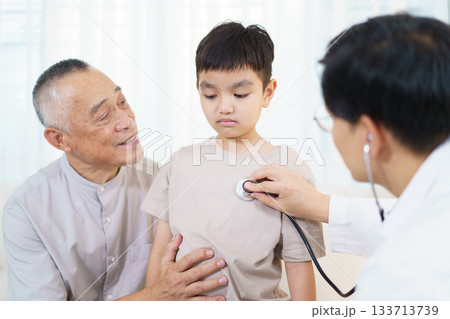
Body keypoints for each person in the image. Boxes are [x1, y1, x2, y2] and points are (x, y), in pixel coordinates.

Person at [245, 14, 450, 300]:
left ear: (368, 135)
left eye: (330, 119)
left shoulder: (402, 275)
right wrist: (319, 204)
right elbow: (403, 219)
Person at [2, 59, 228, 301]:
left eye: (122, 102)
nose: (127, 121)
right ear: (60, 140)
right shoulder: (25, 210)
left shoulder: (164, 181)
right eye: (103, 116)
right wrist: (157, 296)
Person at [142, 22, 324, 301]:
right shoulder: (178, 164)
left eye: (240, 94)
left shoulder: (287, 169)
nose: (224, 107)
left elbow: (299, 264)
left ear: (268, 93)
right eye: (210, 94)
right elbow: (160, 252)